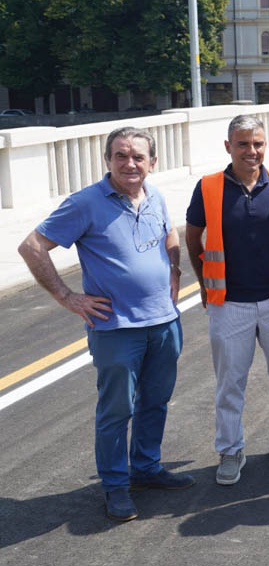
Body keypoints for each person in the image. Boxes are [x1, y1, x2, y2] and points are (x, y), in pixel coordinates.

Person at [17, 127, 192, 522]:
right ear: (108, 160)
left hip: (164, 321)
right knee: (116, 410)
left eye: (138, 157)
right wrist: (67, 296)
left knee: (156, 401)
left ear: (152, 162)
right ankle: (115, 486)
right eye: (120, 156)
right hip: (115, 328)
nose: (129, 163)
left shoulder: (156, 195)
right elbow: (31, 246)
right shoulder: (85, 203)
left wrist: (176, 266)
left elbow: (169, 233)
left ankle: (146, 468)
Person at [184, 115, 269, 486]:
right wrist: (205, 285)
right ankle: (230, 449)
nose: (251, 151)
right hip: (230, 302)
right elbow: (194, 238)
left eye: (257, 144)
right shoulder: (207, 187)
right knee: (230, 382)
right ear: (228, 147)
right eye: (243, 144)